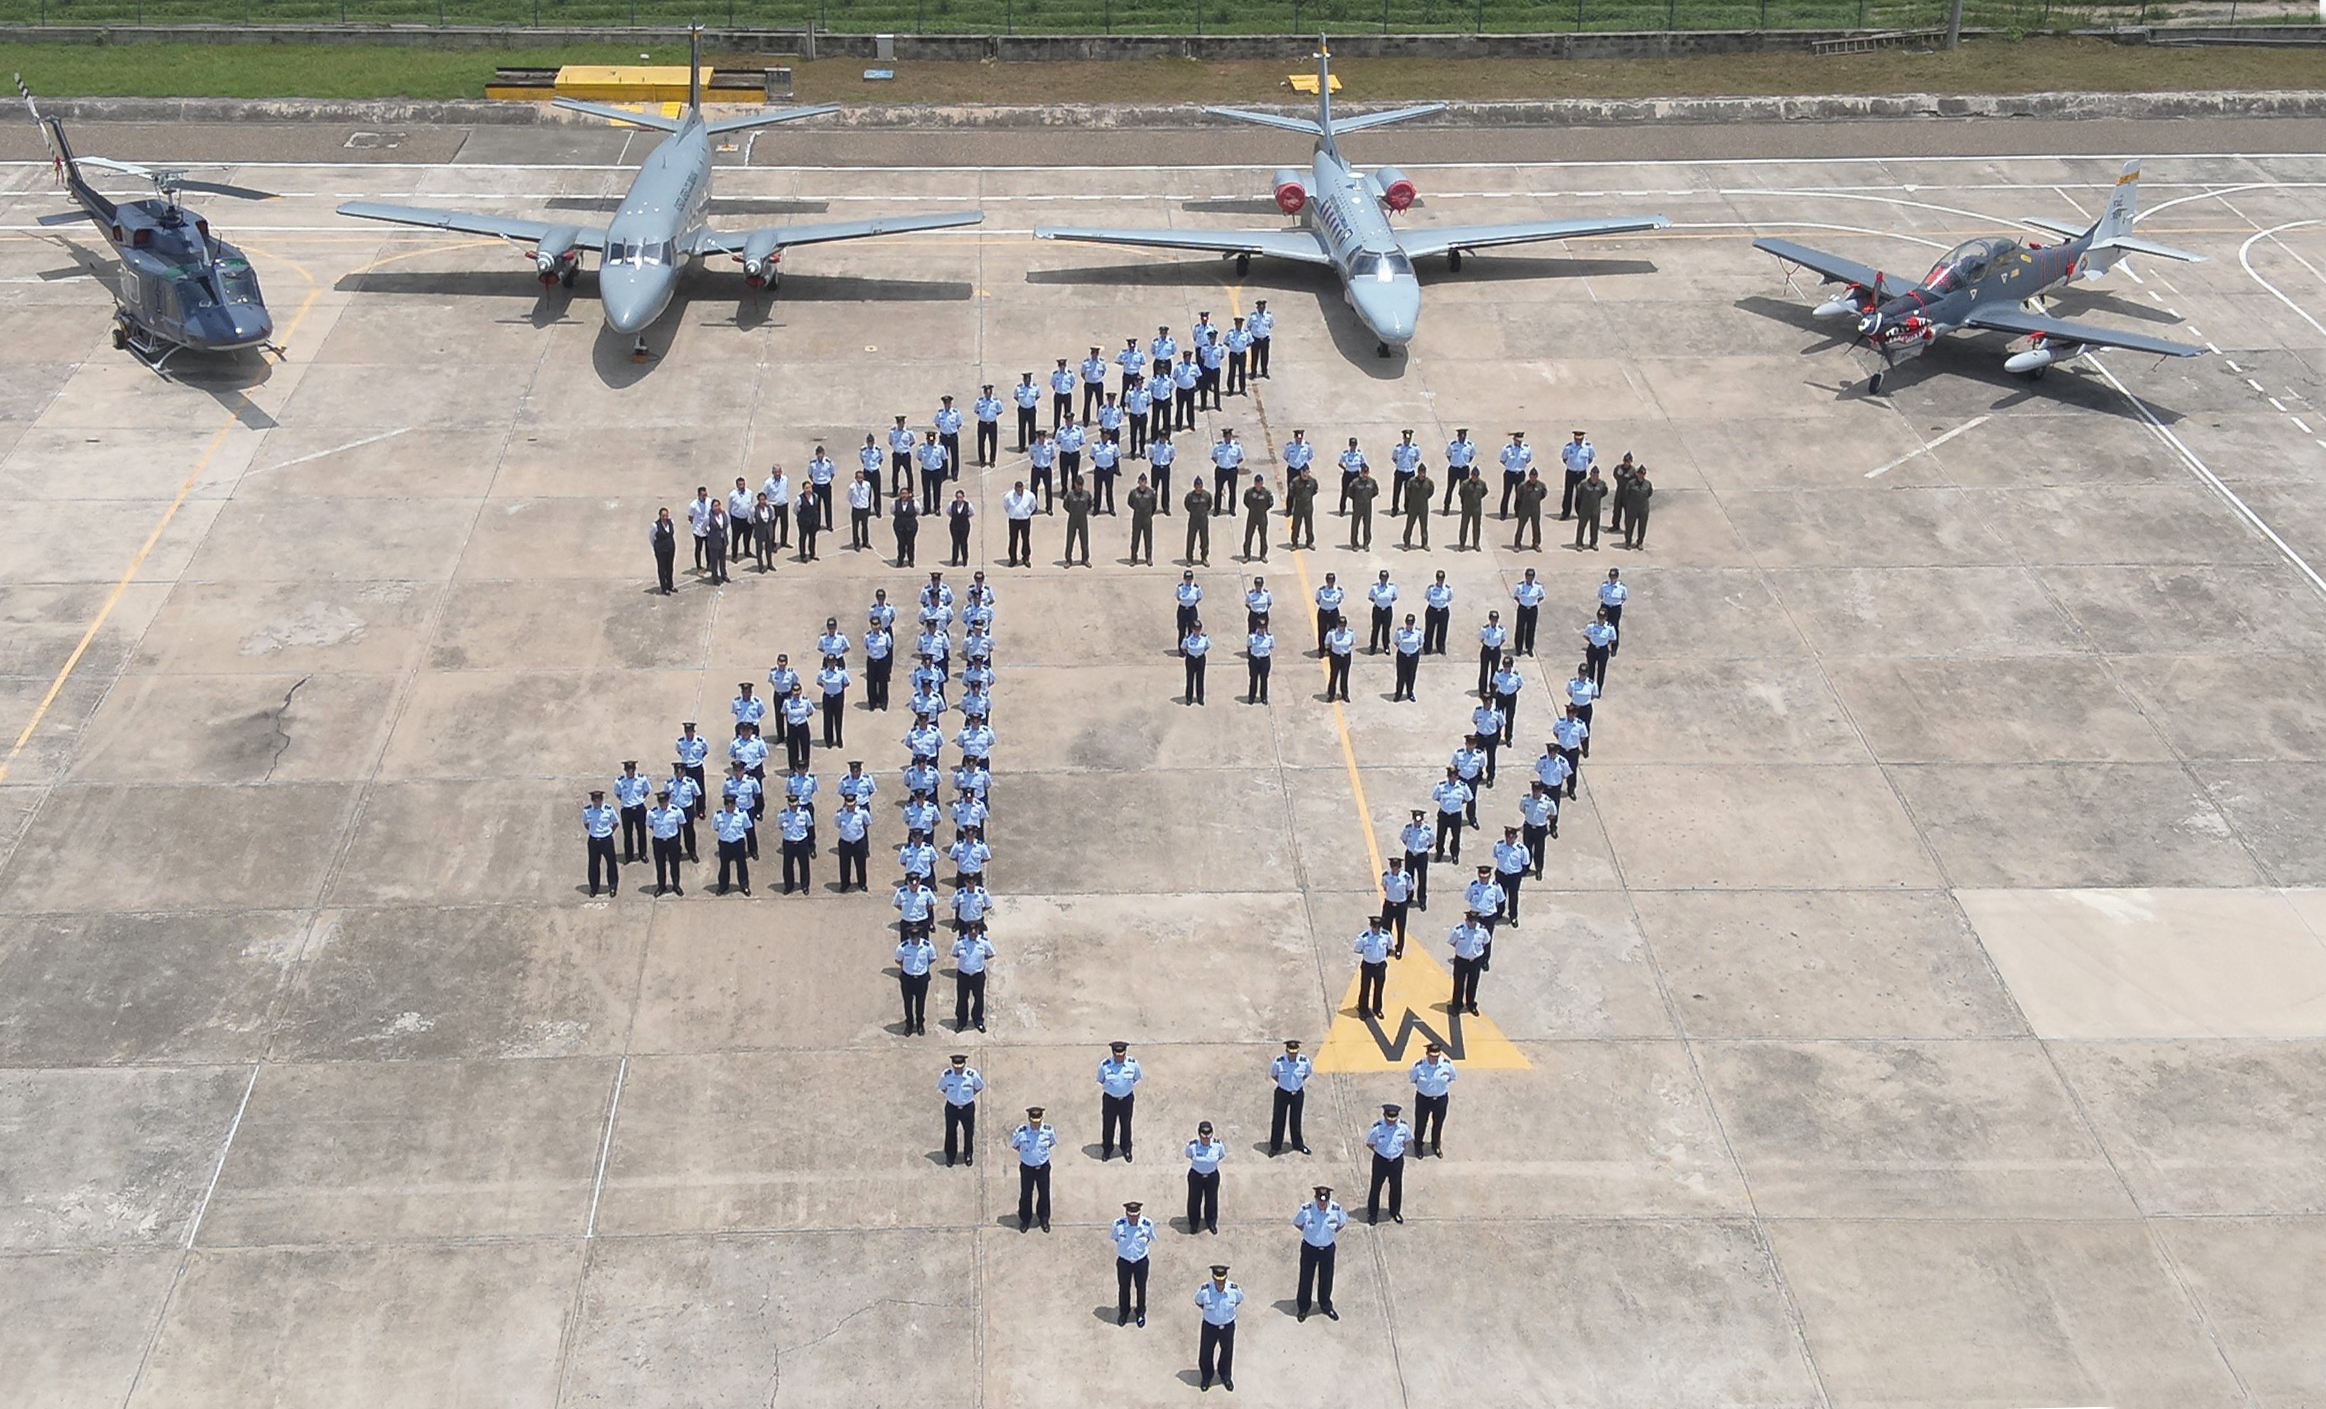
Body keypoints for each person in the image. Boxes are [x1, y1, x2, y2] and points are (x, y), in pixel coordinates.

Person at [1293, 1186, 1347, 1322]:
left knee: (1326, 1278)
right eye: (1320, 1200)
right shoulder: (1306, 1210)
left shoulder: (1335, 1210)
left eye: (1325, 1201)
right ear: (1316, 1198)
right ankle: (1303, 1307)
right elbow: (1298, 1223)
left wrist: (1327, 1236)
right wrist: (1310, 1236)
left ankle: (1325, 1305)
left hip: (1327, 1250)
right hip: (1309, 1249)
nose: (1322, 1203)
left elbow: (1341, 1223)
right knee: (1306, 1278)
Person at [1194, 1265, 1243, 1393]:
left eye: (1222, 1281)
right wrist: (1212, 1315)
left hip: (1227, 1326)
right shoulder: (1205, 1291)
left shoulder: (1233, 1290)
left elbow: (1239, 1300)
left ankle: (1225, 1376)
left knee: (1227, 1351)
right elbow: (1198, 1302)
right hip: (1209, 1326)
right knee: (1206, 1352)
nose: (1220, 1284)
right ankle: (1206, 1377)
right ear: (1213, 1279)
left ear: (1225, 1279)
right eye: (1217, 1281)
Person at [1113, 1202, 1158, 1327]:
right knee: (1124, 1288)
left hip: (1141, 1261)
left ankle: (1140, 1313)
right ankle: (1124, 1312)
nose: (1133, 1218)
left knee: (1141, 1288)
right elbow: (1116, 1238)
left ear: (1139, 1214)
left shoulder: (1147, 1225)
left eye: (1136, 1215)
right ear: (1126, 1214)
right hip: (1124, 1262)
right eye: (1130, 1215)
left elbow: (1150, 1238)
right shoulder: (1118, 1225)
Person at [1012, 1106, 1056, 1231]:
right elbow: (1015, 1145)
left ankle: (1044, 1219)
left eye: (1038, 1122)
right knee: (1026, 1194)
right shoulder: (1021, 1132)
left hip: (1043, 1167)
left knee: (1044, 1193)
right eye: (1033, 1122)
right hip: (1027, 1168)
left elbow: (1051, 1143)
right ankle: (1025, 1220)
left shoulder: (1048, 1131)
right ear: (1029, 1119)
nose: (1036, 1125)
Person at [1366, 1103, 1410, 1224]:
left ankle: (1395, 1211)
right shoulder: (1377, 1129)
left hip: (1396, 1161)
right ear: (1384, 1116)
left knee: (1396, 1187)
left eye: (1394, 1119)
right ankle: (1372, 1214)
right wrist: (1382, 1152)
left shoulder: (1403, 1128)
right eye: (1389, 1119)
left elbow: (1407, 1141)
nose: (1391, 1121)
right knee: (1376, 1187)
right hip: (1381, 1161)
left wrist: (1397, 1152)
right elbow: (1370, 1143)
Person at [1098, 1040, 1142, 1160]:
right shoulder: (1105, 1065)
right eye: (1117, 1055)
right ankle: (1107, 1149)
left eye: (1122, 1055)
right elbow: (1101, 1079)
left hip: (1126, 1099)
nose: (1120, 1057)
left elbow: (1136, 1078)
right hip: (1110, 1100)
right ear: (1113, 1053)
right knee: (1108, 1125)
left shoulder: (1132, 1064)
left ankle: (1126, 1149)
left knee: (1126, 1125)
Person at [1411, 1042, 1457, 1156]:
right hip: (1423, 1099)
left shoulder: (1446, 1065)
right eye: (1432, 1056)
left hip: (1440, 1099)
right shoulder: (1419, 1066)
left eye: (1436, 1056)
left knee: (1438, 1124)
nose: (1434, 1058)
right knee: (1421, 1123)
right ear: (1427, 1054)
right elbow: (1413, 1079)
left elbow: (1452, 1077)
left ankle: (1435, 1146)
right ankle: (1418, 1146)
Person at [1269, 1038, 1311, 1155]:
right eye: (1291, 1053)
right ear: (1287, 1051)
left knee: (1296, 1119)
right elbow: (1274, 1075)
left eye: (1295, 1053)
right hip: (1282, 1093)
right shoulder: (1279, 1062)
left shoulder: (1304, 1061)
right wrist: (1285, 1085)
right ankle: (1275, 1146)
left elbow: (1307, 1074)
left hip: (1297, 1093)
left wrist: (1296, 1085)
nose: (1293, 1055)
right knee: (1278, 1120)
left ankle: (1298, 1144)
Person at [939, 1053, 982, 1167]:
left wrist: (967, 1098)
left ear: (964, 1065)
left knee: (969, 1132)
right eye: (956, 1067)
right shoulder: (946, 1075)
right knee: (950, 1132)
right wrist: (953, 1098)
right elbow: (943, 1088)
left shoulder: (972, 1075)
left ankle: (968, 1154)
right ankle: (950, 1156)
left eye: (960, 1067)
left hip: (967, 1107)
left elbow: (979, 1087)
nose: (958, 1069)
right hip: (951, 1107)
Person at [952, 926, 994, 1032]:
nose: (973, 935)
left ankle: (978, 1020)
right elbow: (955, 953)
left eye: (975, 933)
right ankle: (961, 1022)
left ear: (978, 932)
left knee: (979, 998)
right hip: (963, 975)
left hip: (977, 976)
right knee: (962, 999)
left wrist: (979, 961)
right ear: (968, 932)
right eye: (971, 933)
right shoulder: (960, 942)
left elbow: (990, 954)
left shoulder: (983, 943)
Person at [1185, 1121, 1225, 1233]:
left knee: (1211, 1200)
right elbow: (1188, 1155)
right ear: (1199, 1134)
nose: (1206, 1138)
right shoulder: (1192, 1146)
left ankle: (1211, 1222)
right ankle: (1194, 1224)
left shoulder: (1218, 1145)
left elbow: (1221, 1155)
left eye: (1208, 1135)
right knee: (1194, 1200)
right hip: (1196, 1176)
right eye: (1203, 1136)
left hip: (1212, 1176)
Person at [896, 928, 934, 1035]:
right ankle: (909, 1024)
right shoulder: (903, 947)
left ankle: (920, 1024)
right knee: (908, 1003)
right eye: (912, 937)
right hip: (907, 979)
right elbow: (898, 960)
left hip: (922, 979)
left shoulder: (927, 946)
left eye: (916, 936)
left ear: (920, 935)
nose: (915, 939)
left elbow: (932, 958)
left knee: (920, 1002)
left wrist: (922, 968)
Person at [582, 789, 619, 897]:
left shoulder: (609, 809)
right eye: (595, 800)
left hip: (606, 839)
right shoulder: (587, 811)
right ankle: (594, 888)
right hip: (594, 840)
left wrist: (608, 832)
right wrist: (594, 832)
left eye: (599, 800)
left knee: (611, 864)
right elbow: (586, 823)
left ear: (602, 800)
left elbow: (615, 822)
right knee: (593, 865)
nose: (597, 803)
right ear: (592, 801)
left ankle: (612, 886)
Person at [1354, 916, 1393, 1018]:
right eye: (1375, 927)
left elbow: (1389, 948)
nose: (1377, 929)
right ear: (1371, 926)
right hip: (1368, 966)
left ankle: (1377, 1009)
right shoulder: (1363, 937)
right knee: (1365, 988)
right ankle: (1363, 1010)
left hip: (1380, 966)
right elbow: (1358, 950)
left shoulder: (1386, 935)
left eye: (1379, 927)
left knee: (1379, 988)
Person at [711, 796, 751, 895]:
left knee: (741, 865)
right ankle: (723, 886)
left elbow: (747, 826)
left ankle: (744, 885)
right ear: (725, 805)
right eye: (728, 806)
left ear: (735, 804)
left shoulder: (742, 814)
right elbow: (716, 828)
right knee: (724, 866)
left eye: (732, 805)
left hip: (738, 843)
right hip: (724, 844)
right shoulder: (718, 815)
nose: (730, 808)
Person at [614, 760, 651, 862]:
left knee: (641, 832)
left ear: (634, 770)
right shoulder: (620, 781)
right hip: (626, 809)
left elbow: (646, 790)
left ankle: (642, 854)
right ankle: (629, 855)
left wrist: (639, 800)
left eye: (631, 770)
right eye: (627, 770)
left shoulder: (641, 779)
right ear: (625, 770)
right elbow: (618, 794)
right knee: (627, 833)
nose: (630, 772)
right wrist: (627, 802)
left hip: (639, 808)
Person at [1432, 767, 1471, 862]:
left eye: (1454, 776)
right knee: (1440, 835)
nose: (1452, 778)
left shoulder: (1463, 786)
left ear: (1457, 777)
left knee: (1456, 836)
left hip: (1456, 815)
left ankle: (1454, 854)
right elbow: (1435, 797)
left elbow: (1468, 798)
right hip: (1443, 814)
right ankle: (1439, 853)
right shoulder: (1441, 786)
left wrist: (1457, 804)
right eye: (1450, 776)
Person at [1400, 810, 1433, 913]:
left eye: (1419, 821)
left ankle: (1422, 900)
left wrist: (1423, 850)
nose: (1417, 823)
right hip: (1410, 855)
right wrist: (1411, 848)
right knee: (1409, 877)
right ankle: (1409, 898)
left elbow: (1432, 842)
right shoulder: (1408, 828)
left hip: (1422, 856)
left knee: (1422, 878)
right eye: (1416, 820)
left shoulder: (1427, 829)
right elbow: (1404, 839)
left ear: (1422, 820)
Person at [1380, 856, 1415, 953]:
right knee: (1386, 927)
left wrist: (1400, 898)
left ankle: (1399, 948)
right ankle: (1387, 947)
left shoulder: (1406, 877)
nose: (1395, 868)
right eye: (1393, 866)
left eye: (1397, 866)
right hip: (1389, 904)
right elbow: (1384, 887)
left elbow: (1409, 890)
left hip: (1401, 905)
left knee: (1400, 928)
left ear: (1400, 867)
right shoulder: (1386, 876)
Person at [1560, 427, 1595, 520]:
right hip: (1571, 472)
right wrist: (1572, 465)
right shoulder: (1569, 447)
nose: (1578, 441)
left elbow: (1591, 458)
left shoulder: (1588, 447)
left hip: (1582, 473)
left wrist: (1582, 466)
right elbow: (1564, 458)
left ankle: (1580, 512)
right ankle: (1565, 513)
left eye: (1580, 439)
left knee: (1581, 493)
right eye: (1576, 439)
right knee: (1568, 493)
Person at [1002, 480, 1037, 568]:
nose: (1019, 490)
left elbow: (1033, 506)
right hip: (1013, 520)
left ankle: (1026, 558)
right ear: (1015, 488)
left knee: (1025, 539)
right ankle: (1013, 559)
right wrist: (1012, 513)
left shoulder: (1030, 495)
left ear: (1023, 488)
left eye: (1020, 488)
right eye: (1017, 489)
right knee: (1013, 539)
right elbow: (1006, 506)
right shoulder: (1009, 496)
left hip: (1025, 520)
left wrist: (1027, 513)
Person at [1240, 473, 1275, 561]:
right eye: (1257, 483)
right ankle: (1247, 555)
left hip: (1262, 517)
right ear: (1255, 483)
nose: (1259, 485)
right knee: (1248, 536)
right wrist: (1252, 509)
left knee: (1263, 537)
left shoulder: (1266, 493)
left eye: (1260, 483)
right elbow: (1246, 502)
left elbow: (1270, 503)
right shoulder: (1249, 492)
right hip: (1252, 516)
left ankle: (1263, 555)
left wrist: (1262, 509)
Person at [1444, 428, 1478, 514]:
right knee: (1450, 489)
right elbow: (1448, 455)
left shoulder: (1470, 445)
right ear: (1458, 436)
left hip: (1464, 469)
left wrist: (1465, 463)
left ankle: (1464, 507)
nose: (1462, 438)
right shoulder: (1452, 445)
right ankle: (1446, 508)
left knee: (1464, 490)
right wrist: (1454, 462)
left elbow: (1471, 456)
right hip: (1454, 469)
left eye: (1463, 436)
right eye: (1460, 436)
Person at [1512, 570, 1546, 656]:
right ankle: (1518, 649)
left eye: (1531, 577)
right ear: (1525, 576)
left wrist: (1533, 602)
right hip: (1523, 608)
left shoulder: (1537, 587)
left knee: (1531, 629)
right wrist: (1522, 602)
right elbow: (1515, 596)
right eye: (1528, 576)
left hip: (1533, 609)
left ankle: (1529, 648)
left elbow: (1541, 596)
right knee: (1520, 629)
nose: (1529, 578)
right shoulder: (1520, 586)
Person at [1573, 465, 1607, 549]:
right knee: (1581, 526)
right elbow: (1579, 494)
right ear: (1590, 474)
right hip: (1585, 508)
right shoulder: (1583, 484)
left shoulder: (1602, 484)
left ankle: (1593, 543)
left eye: (1597, 474)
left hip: (1595, 508)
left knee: (1595, 526)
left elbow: (1604, 492)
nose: (1595, 476)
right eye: (1593, 474)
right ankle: (1579, 543)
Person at [1392, 613, 1424, 702]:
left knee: (1411, 675)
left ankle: (1410, 693)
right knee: (1401, 676)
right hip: (1402, 655)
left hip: (1413, 656)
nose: (1409, 625)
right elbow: (1396, 642)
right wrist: (1404, 649)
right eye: (1408, 623)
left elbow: (1420, 642)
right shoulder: (1400, 632)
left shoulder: (1418, 632)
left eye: (1411, 623)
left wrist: (1411, 650)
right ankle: (1398, 694)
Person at [1285, 464, 1317, 550]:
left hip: (1308, 506)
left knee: (1309, 525)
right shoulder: (1295, 482)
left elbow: (1314, 491)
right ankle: (1294, 543)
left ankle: (1309, 542)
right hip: (1298, 507)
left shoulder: (1312, 481)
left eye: (1307, 472)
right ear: (1300, 472)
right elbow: (1291, 493)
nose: (1305, 474)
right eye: (1303, 472)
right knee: (1296, 526)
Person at [1062, 476, 1093, 567]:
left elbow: (1090, 504)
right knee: (1070, 540)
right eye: (1078, 485)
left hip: (1083, 519)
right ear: (1075, 484)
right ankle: (1068, 560)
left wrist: (1084, 511)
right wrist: (1072, 511)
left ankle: (1085, 559)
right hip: (1072, 519)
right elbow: (1065, 505)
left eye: (1081, 485)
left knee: (1084, 540)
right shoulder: (1070, 494)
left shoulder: (1086, 494)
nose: (1080, 487)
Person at [1127, 473, 1158, 564]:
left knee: (1148, 539)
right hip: (1137, 518)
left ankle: (1148, 557)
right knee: (1135, 539)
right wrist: (1137, 509)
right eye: (1141, 481)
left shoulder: (1150, 493)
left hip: (1147, 519)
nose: (1142, 483)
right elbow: (1130, 503)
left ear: (1146, 482)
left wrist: (1149, 513)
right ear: (1138, 482)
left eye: (1144, 481)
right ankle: (1133, 558)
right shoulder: (1133, 493)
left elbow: (1154, 505)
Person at [1210, 430, 1243, 514]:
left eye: (1229, 436)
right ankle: (1217, 510)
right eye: (1226, 436)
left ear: (1231, 436)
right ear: (1224, 437)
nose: (1227, 438)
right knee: (1218, 490)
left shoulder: (1236, 446)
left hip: (1232, 470)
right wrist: (1220, 463)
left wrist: (1233, 464)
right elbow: (1213, 456)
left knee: (1232, 490)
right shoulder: (1218, 446)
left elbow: (1240, 458)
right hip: (1221, 470)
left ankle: (1232, 509)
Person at [1583, 607, 1617, 689]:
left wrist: (1604, 643)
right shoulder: (1591, 626)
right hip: (1592, 648)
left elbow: (1613, 639)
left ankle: (1598, 689)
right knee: (1590, 670)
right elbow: (1586, 635)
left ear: (1606, 618)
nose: (1600, 619)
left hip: (1603, 650)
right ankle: (1590, 689)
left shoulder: (1609, 628)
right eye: (1599, 617)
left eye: (1602, 618)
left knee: (1601, 670)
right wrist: (1593, 641)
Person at [1401, 464, 1434, 549]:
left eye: (1423, 472)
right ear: (1418, 472)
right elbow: (1408, 492)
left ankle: (1424, 543)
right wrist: (1413, 499)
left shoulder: (1429, 482)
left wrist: (1425, 498)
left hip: (1423, 506)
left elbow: (1431, 492)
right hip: (1413, 506)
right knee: (1409, 525)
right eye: (1421, 472)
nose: (1422, 474)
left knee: (1424, 526)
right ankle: (1407, 543)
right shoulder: (1412, 481)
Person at [1456, 464, 1488, 550]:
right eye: (1473, 475)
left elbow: (1484, 492)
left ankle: (1476, 543)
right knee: (1464, 526)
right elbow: (1461, 493)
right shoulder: (1465, 484)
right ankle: (1462, 544)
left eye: (1476, 476)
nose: (1474, 477)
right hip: (1467, 508)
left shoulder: (1482, 484)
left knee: (1476, 526)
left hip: (1477, 508)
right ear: (1471, 475)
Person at [1514, 467, 1547, 550]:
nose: (1533, 478)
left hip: (1535, 509)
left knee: (1536, 526)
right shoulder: (1523, 485)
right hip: (1525, 509)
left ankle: (1536, 543)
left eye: (1534, 476)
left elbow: (1543, 494)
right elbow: (1519, 496)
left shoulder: (1541, 485)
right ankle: (1517, 544)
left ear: (1537, 476)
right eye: (1531, 476)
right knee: (1521, 526)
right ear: (1529, 476)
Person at [1323, 614, 1354, 702]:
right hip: (1335, 657)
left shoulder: (1350, 633)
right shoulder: (1331, 633)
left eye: (1343, 625)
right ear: (1337, 625)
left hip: (1346, 657)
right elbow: (1327, 644)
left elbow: (1351, 643)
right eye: (1340, 625)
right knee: (1334, 675)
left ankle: (1344, 694)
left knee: (1345, 675)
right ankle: (1331, 694)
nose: (1342, 627)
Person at [1346, 464, 1378, 549]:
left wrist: (1368, 498)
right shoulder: (1355, 482)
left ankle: (1366, 543)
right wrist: (1356, 499)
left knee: (1367, 526)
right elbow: (1349, 493)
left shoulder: (1372, 482)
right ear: (1361, 472)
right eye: (1363, 472)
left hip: (1367, 507)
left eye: (1366, 472)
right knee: (1355, 526)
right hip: (1357, 506)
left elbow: (1375, 492)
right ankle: (1354, 544)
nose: (1365, 474)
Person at [1367, 570, 1398, 654]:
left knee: (1386, 629)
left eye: (1385, 578)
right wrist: (1379, 602)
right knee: (1375, 629)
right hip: (1377, 610)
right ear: (1379, 578)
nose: (1383, 580)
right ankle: (1373, 647)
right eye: (1382, 578)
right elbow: (1370, 597)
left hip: (1387, 610)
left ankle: (1386, 646)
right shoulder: (1374, 587)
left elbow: (1394, 597)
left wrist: (1385, 603)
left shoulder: (1392, 587)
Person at [972, 384, 1003, 467]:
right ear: (984, 393)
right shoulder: (980, 401)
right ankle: (982, 460)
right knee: (981, 442)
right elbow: (976, 411)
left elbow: (1000, 411)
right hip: (982, 424)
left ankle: (992, 460)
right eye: (986, 393)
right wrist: (983, 417)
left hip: (992, 424)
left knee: (993, 442)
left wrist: (992, 417)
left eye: (989, 393)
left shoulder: (996, 402)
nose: (988, 394)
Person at [1246, 615, 1274, 705]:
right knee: (1253, 679)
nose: (1262, 630)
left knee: (1264, 679)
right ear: (1257, 627)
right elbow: (1249, 646)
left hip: (1265, 660)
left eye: (1263, 628)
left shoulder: (1270, 638)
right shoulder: (1252, 637)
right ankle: (1251, 697)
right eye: (1260, 628)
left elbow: (1272, 646)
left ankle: (1264, 697)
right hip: (1254, 660)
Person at [1181, 617, 1209, 705]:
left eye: (1199, 629)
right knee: (1190, 678)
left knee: (1200, 678)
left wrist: (1200, 652)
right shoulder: (1188, 639)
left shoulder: (1204, 638)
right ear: (1192, 629)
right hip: (1191, 659)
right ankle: (1189, 698)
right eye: (1196, 629)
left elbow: (1207, 646)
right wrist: (1190, 654)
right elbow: (1183, 647)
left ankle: (1200, 697)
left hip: (1200, 659)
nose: (1197, 631)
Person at [1623, 464, 1653, 548]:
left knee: (1642, 526)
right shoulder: (1631, 483)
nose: (1641, 475)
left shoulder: (1648, 484)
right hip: (1632, 508)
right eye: (1640, 474)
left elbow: (1649, 493)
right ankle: (1628, 542)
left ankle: (1640, 542)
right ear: (1637, 474)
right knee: (1629, 526)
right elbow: (1627, 494)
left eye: (1643, 474)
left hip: (1643, 508)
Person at [1183, 480, 1213, 562]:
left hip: (1203, 520)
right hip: (1193, 520)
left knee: (1204, 540)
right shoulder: (1190, 496)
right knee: (1191, 540)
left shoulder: (1206, 495)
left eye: (1200, 487)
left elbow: (1209, 505)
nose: (1198, 489)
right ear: (1194, 487)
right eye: (1197, 487)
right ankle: (1189, 559)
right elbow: (1187, 505)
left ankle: (1204, 558)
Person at [649, 508, 678, 593]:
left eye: (666, 515)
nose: (665, 517)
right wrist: (656, 547)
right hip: (661, 550)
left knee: (670, 567)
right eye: (663, 516)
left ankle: (670, 585)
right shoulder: (655, 525)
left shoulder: (671, 522)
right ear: (660, 516)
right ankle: (664, 587)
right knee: (662, 568)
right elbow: (651, 537)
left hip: (670, 548)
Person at [687, 485, 714, 572]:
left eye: (705, 494)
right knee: (698, 548)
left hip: (708, 529)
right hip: (698, 530)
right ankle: (698, 566)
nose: (704, 497)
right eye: (703, 495)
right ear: (698, 495)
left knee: (708, 548)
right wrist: (695, 524)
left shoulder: (710, 502)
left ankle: (709, 564)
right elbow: (690, 517)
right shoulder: (693, 505)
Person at [1013, 371, 1040, 451]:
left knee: (1032, 428)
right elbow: (1015, 396)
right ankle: (1022, 446)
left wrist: (1031, 402)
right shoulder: (1019, 387)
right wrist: (1022, 402)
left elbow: (1038, 396)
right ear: (1023, 380)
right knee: (1022, 428)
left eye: (1028, 379)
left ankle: (1032, 445)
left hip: (1031, 409)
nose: (1027, 381)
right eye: (1025, 379)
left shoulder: (1035, 387)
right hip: (1022, 409)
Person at [1175, 571, 1204, 645]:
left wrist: (1192, 603)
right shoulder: (1180, 587)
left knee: (1192, 629)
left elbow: (1199, 597)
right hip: (1182, 609)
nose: (1188, 581)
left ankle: (1191, 648)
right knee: (1181, 630)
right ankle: (1181, 649)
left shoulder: (1196, 588)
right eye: (1186, 579)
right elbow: (1178, 597)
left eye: (1189, 579)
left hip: (1191, 610)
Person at [946, 488, 974, 566]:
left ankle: (965, 560)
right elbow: (949, 512)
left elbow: (972, 513)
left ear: (963, 497)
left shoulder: (968, 505)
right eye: (958, 497)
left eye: (960, 497)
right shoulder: (951, 504)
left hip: (964, 526)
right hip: (954, 526)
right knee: (955, 543)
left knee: (963, 543)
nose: (959, 499)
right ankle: (954, 560)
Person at [1148, 430, 1176, 510]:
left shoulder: (1170, 446)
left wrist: (1165, 464)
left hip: (1165, 468)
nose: (1163, 439)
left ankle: (1166, 507)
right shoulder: (1153, 446)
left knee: (1165, 488)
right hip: (1156, 468)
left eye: (1164, 437)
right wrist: (1156, 464)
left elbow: (1172, 457)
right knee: (1154, 488)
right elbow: (1151, 457)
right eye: (1162, 437)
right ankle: (1153, 507)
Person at [703, 502, 729, 584]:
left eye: (718, 505)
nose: (717, 508)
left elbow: (727, 524)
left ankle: (724, 574)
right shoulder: (708, 517)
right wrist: (710, 534)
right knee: (714, 560)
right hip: (714, 541)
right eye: (715, 506)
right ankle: (715, 577)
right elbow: (703, 527)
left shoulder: (724, 514)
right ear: (712, 508)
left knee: (722, 559)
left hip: (723, 540)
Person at [891, 492, 919, 567]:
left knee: (910, 543)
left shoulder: (914, 503)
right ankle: (900, 560)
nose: (904, 495)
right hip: (899, 527)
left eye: (905, 494)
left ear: (908, 494)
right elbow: (893, 512)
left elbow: (918, 511)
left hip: (911, 527)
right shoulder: (895, 503)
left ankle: (911, 560)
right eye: (902, 494)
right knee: (901, 543)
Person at [1249, 298, 1274, 376]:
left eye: (1263, 307)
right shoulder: (1253, 317)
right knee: (1254, 357)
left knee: (1265, 356)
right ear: (1257, 308)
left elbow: (1271, 325)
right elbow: (1249, 326)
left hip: (1265, 339)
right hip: (1255, 339)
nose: (1262, 309)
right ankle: (1253, 372)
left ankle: (1264, 372)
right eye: (1260, 307)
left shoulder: (1268, 316)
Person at [794, 489, 821, 562]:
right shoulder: (799, 498)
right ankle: (802, 555)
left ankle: (812, 553)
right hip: (803, 522)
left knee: (812, 537)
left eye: (809, 487)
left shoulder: (815, 496)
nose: (808, 490)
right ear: (803, 489)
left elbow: (816, 508)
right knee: (803, 538)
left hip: (813, 521)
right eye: (806, 488)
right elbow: (795, 509)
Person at [1050, 357, 1075, 430]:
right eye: (1060, 366)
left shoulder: (1070, 374)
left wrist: (1067, 390)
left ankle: (1068, 427)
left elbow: (1072, 383)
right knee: (1057, 413)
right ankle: (1056, 429)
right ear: (1059, 366)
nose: (1062, 367)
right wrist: (1058, 390)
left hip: (1067, 395)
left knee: (1068, 413)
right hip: (1058, 395)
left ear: (1065, 366)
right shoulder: (1055, 374)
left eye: (1063, 366)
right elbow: (1053, 384)